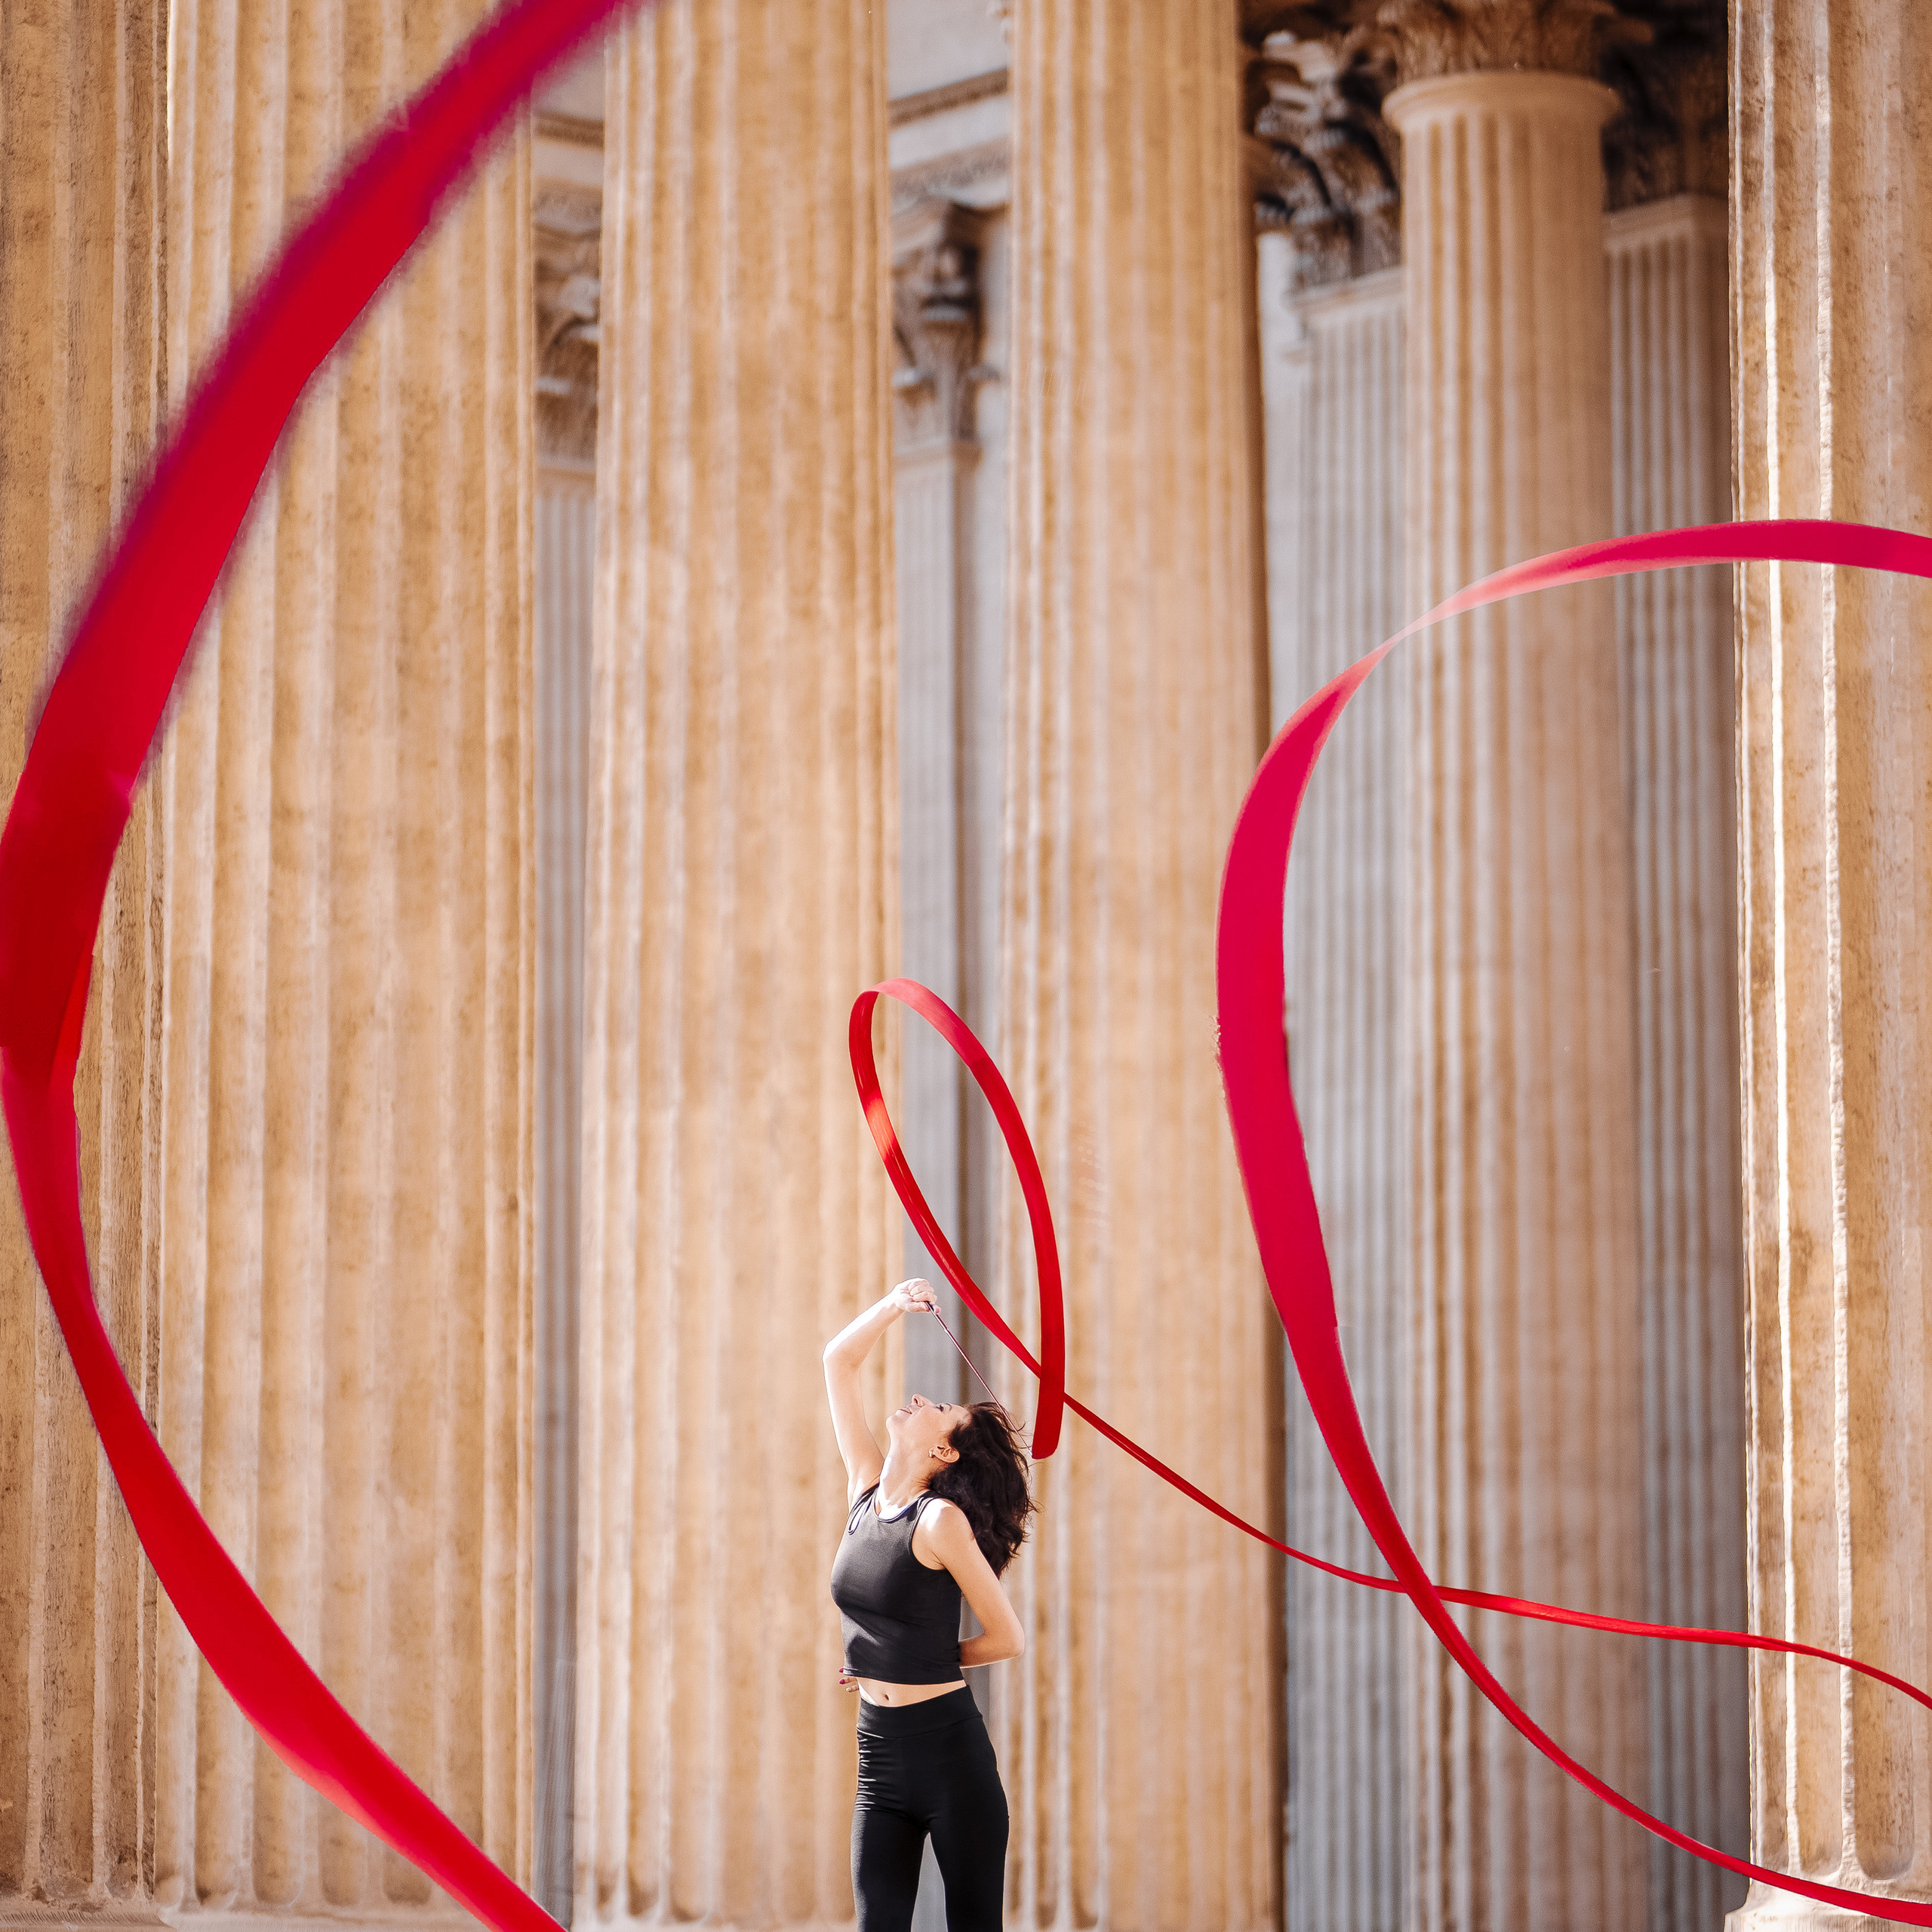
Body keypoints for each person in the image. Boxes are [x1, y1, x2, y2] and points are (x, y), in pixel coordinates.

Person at [823, 1278, 1034, 1932]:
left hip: (949, 1757)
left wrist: (908, 1661)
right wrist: (893, 1304)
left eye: (935, 1406)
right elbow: (838, 1362)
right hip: (878, 1756)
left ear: (943, 1452)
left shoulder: (939, 1520)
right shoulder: (865, 1491)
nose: (917, 1399)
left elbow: (1007, 1638)